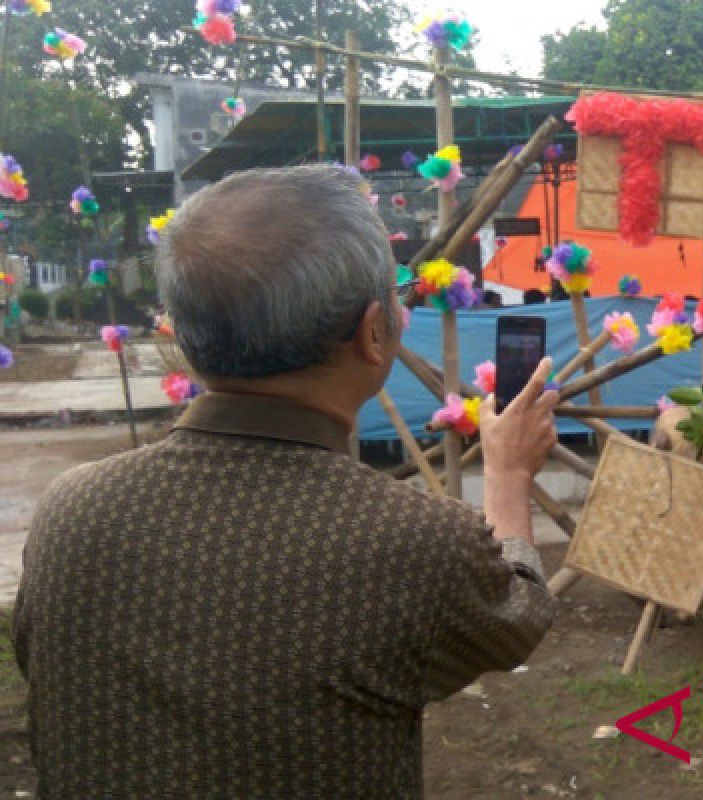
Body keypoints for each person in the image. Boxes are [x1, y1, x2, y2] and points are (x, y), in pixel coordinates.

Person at [13, 166, 558, 798]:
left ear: (186, 336)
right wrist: (510, 473)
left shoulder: (72, 515)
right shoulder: (411, 542)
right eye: (399, 295)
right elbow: (518, 617)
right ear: (372, 331)